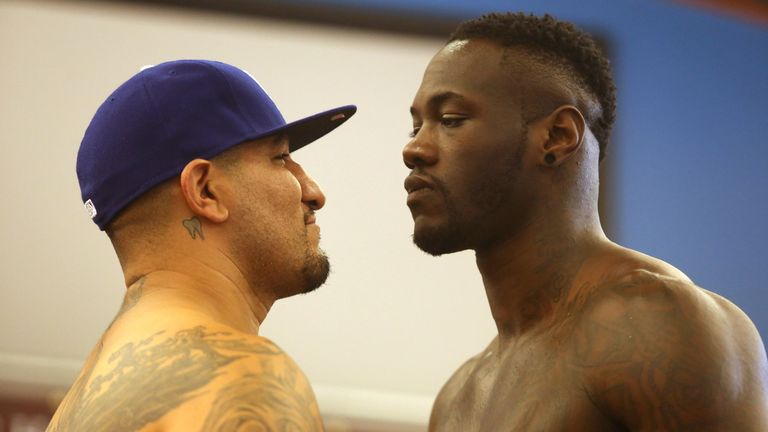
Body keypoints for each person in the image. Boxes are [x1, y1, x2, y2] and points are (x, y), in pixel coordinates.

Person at [403, 12, 768, 431]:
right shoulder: (458, 398)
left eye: (450, 120)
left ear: (557, 136)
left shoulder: (659, 324)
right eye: (415, 127)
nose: (414, 149)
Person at [48, 60, 355, 431]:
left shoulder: (78, 407)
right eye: (281, 159)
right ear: (205, 190)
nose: (314, 193)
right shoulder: (243, 378)